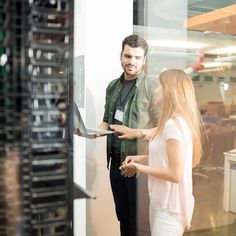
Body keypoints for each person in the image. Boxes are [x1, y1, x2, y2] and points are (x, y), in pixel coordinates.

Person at [120, 69, 204, 236]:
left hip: (170, 208)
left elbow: (175, 173)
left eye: (159, 86)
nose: (155, 90)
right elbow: (166, 159)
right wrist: (142, 159)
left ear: (170, 91)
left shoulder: (174, 125)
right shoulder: (170, 123)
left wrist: (138, 167)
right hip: (159, 202)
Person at [98, 34, 159, 236]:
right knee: (123, 216)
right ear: (121, 55)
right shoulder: (112, 86)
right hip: (116, 163)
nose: (131, 61)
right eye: (128, 56)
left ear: (144, 60)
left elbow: (163, 128)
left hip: (140, 164)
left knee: (140, 221)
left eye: (137, 57)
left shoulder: (151, 86)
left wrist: (137, 133)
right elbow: (107, 120)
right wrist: (90, 132)